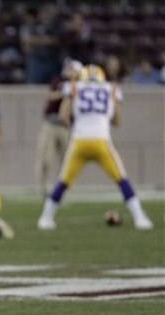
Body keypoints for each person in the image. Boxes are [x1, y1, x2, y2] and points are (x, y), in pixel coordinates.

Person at [37, 65, 154, 231]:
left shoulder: (74, 87)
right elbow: (117, 122)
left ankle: (45, 218)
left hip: (80, 141)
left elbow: (63, 116)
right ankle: (140, 218)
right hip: (101, 142)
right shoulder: (111, 89)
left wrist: (77, 124)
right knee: (122, 180)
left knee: (63, 181)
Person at [34, 58, 81, 196]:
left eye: (72, 69)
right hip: (51, 124)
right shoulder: (59, 82)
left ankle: (64, 190)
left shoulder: (80, 86)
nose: (68, 70)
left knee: (67, 160)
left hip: (66, 126)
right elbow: (51, 96)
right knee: (45, 159)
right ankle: (43, 187)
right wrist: (66, 92)